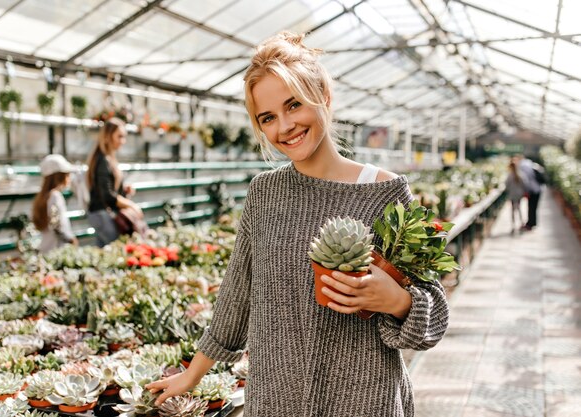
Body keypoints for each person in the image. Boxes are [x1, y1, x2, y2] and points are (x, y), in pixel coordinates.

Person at [146, 32, 449, 417]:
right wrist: (192, 374)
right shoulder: (264, 194)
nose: (284, 126)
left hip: (363, 400)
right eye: (267, 118)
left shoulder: (384, 192)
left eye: (294, 105)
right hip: (276, 400)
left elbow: (435, 312)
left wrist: (398, 301)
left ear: (323, 95)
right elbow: (238, 293)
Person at [86, 117, 143, 247]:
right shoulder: (103, 161)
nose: (123, 141)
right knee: (117, 251)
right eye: (120, 136)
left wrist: (124, 190)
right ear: (107, 136)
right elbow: (108, 196)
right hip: (102, 214)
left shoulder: (107, 159)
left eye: (124, 136)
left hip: (101, 214)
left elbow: (109, 191)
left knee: (105, 253)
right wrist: (132, 205)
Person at [32, 154, 78, 254]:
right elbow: (58, 226)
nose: (69, 178)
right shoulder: (55, 196)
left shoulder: (43, 197)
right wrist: (71, 240)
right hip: (57, 250)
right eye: (67, 174)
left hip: (46, 249)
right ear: (59, 175)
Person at [516, 155, 542, 230]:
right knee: (533, 207)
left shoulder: (523, 166)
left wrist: (526, 191)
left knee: (531, 207)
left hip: (533, 190)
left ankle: (530, 224)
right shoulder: (530, 164)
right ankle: (531, 222)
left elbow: (526, 180)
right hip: (537, 189)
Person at [505, 159, 527, 234]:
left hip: (512, 194)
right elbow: (524, 184)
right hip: (519, 194)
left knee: (513, 210)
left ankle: (513, 225)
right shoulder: (521, 174)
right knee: (519, 208)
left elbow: (506, 185)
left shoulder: (509, 175)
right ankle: (521, 222)